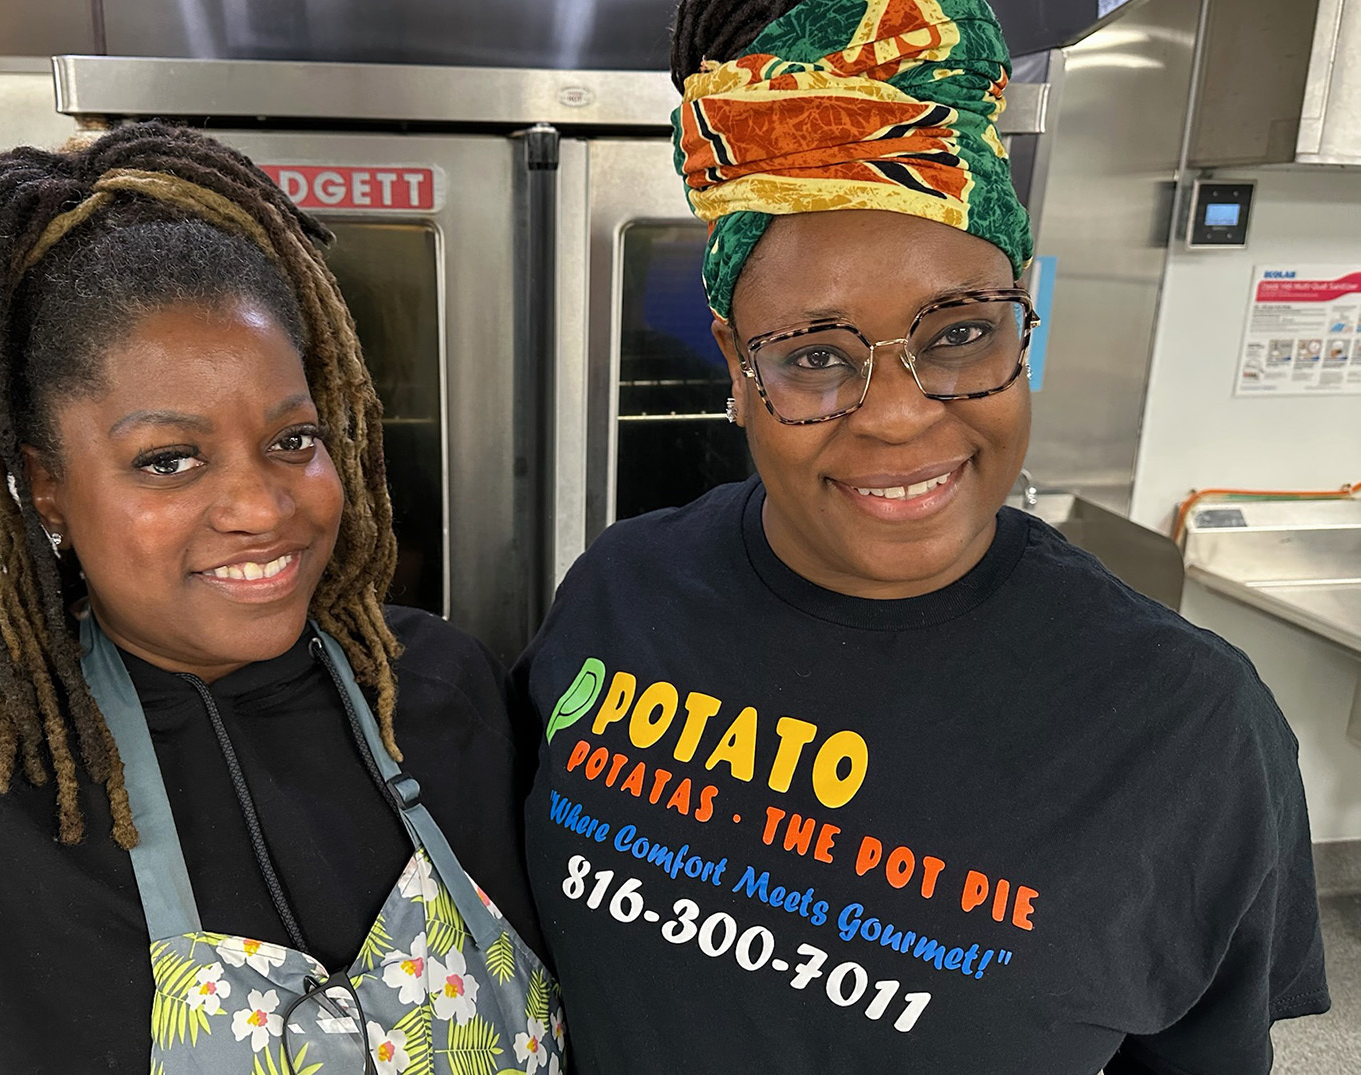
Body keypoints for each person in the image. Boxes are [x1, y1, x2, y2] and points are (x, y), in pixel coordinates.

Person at [512, 2, 1329, 1072]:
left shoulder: (1189, 728)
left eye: (957, 334)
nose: (897, 413)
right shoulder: (620, 590)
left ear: (1018, 315)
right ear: (734, 362)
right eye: (812, 353)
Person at [0, 123, 562, 1075]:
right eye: (167, 460)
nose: (262, 507)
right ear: (45, 483)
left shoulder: (438, 689)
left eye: (292, 440)